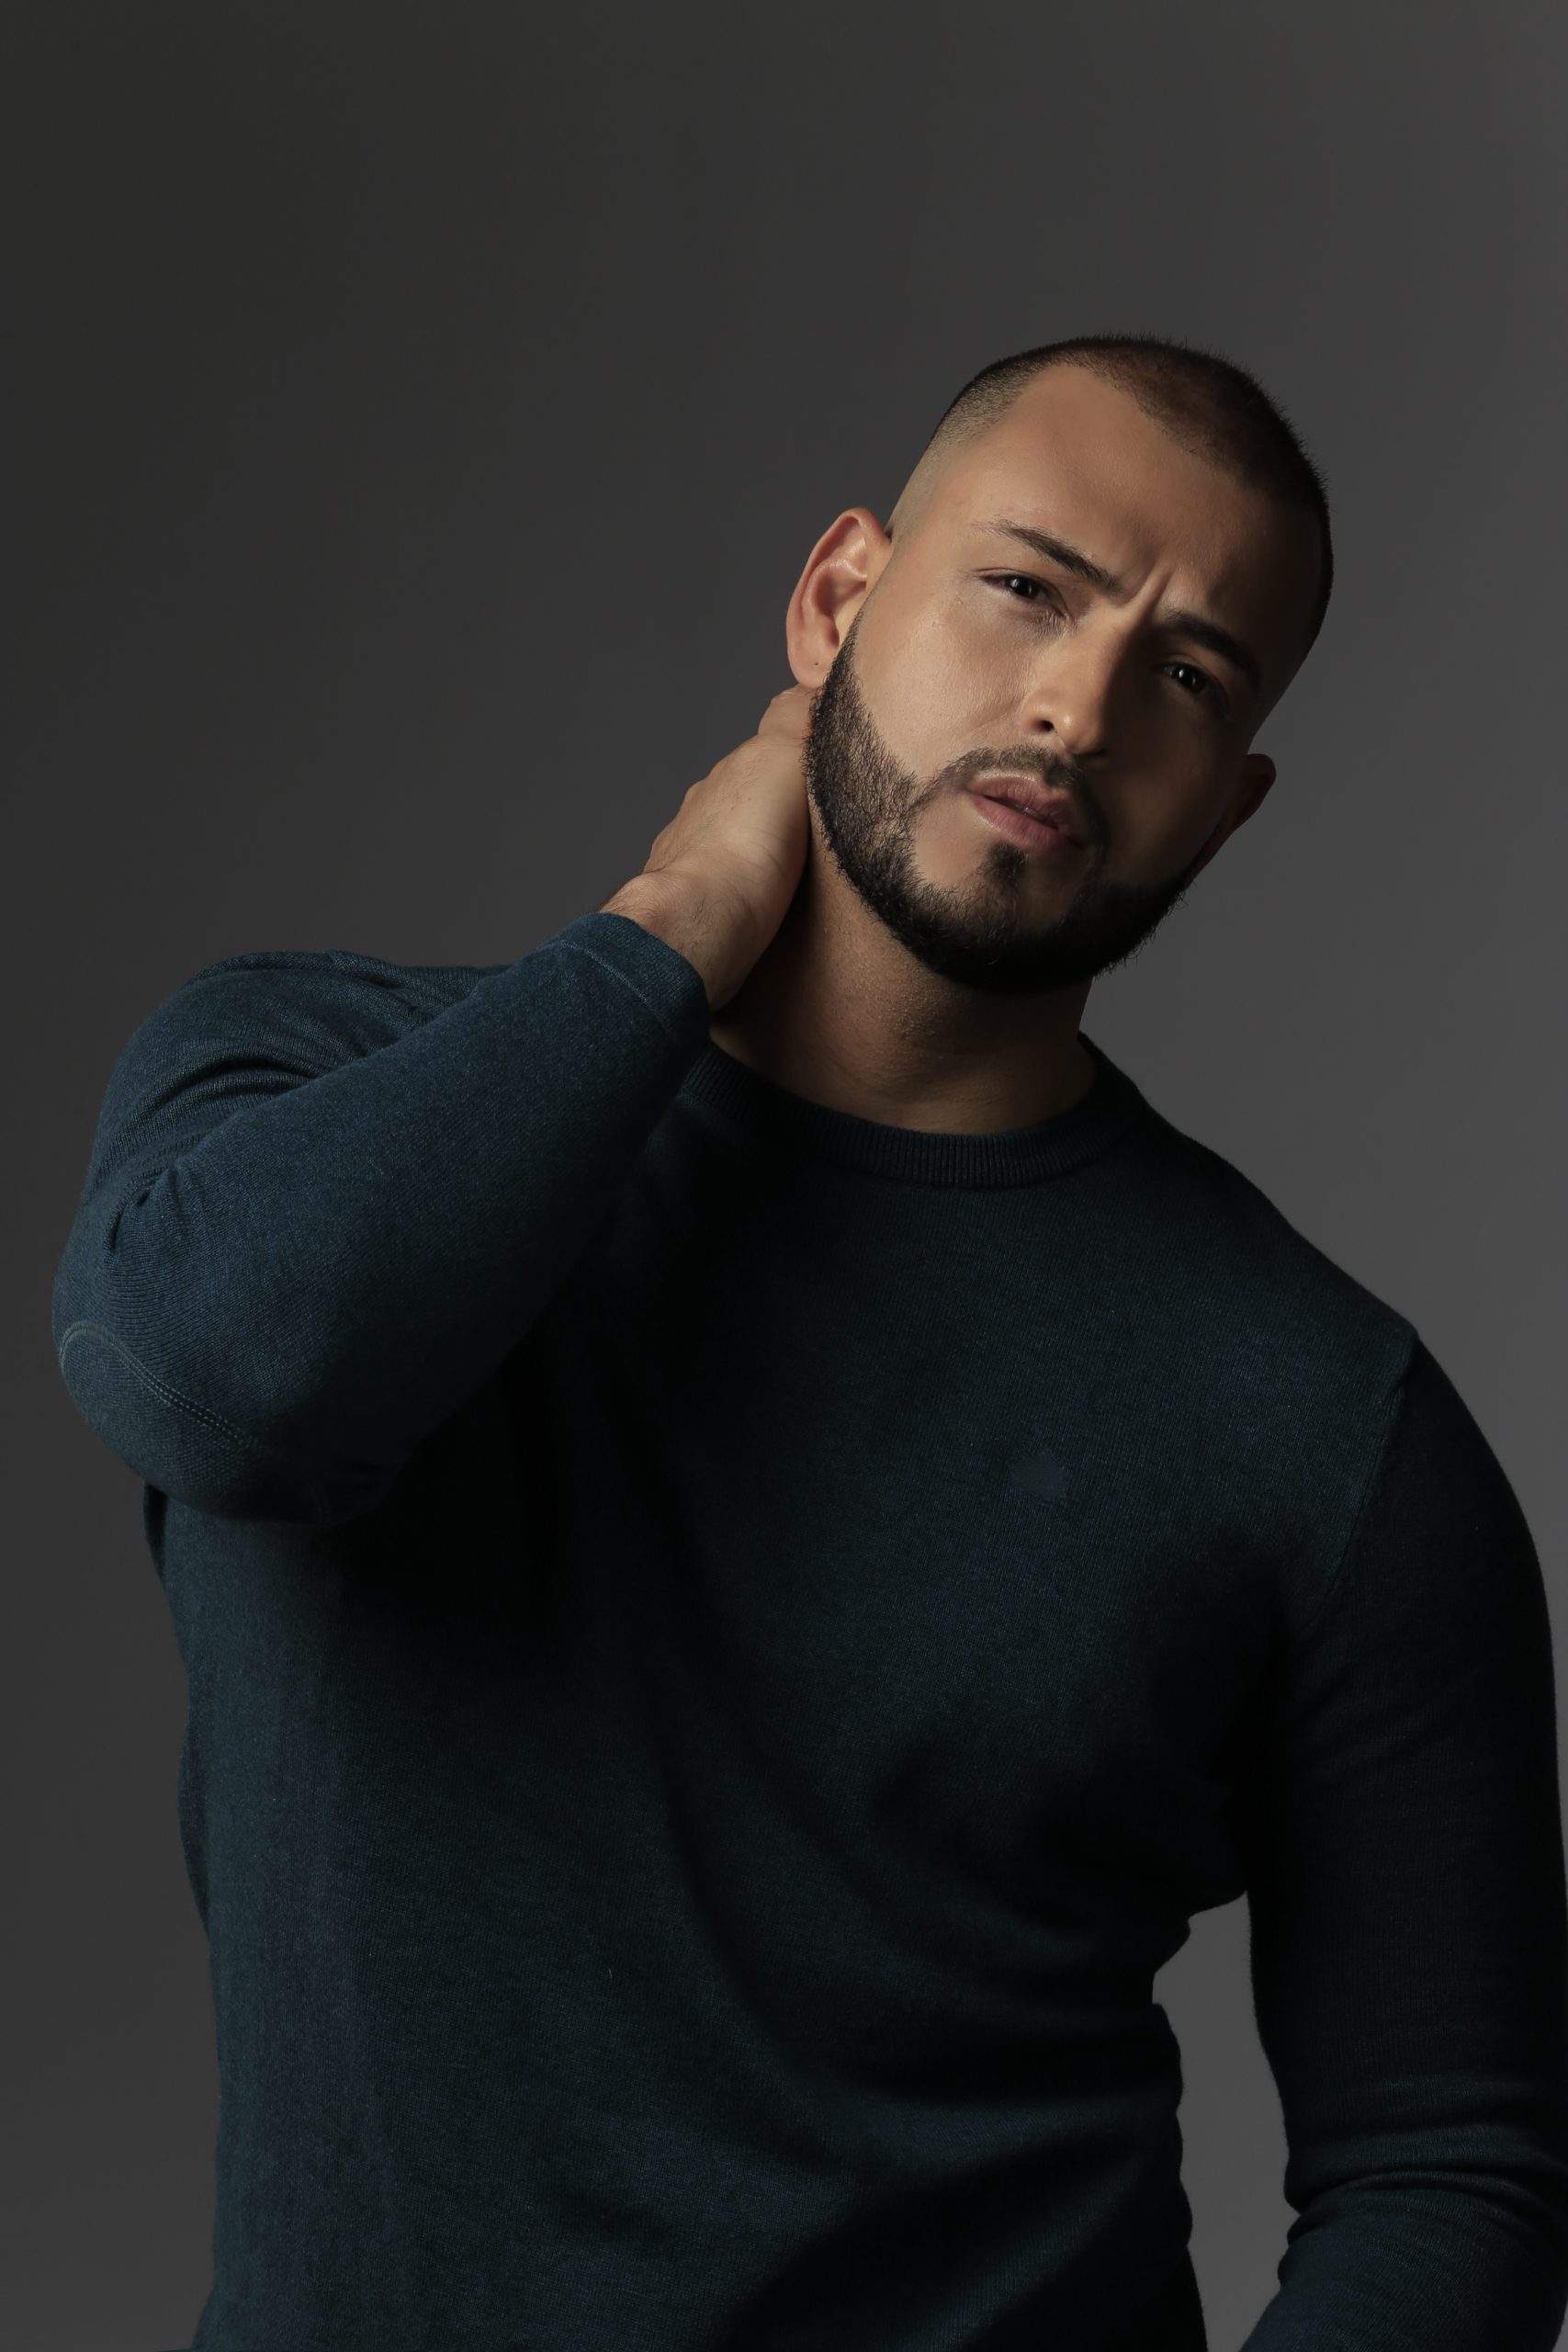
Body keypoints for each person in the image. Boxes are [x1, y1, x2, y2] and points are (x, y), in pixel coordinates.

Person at [51, 334, 1568, 2351]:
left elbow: (1449, 2171)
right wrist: (676, 922)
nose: (1079, 704)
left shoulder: (1322, 1420)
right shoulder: (298, 1080)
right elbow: (225, 1384)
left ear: (1229, 805)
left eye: (1191, 678)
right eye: (1024, 586)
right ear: (840, 594)